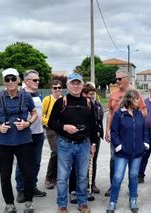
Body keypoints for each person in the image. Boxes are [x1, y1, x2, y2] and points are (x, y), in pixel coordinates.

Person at [0, 68, 37, 213]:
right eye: (7, 79)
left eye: (13, 79)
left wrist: (27, 123)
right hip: (4, 143)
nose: (10, 82)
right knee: (5, 175)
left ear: (18, 80)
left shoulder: (26, 96)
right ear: (4, 81)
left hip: (24, 141)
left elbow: (34, 114)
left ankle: (28, 202)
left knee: (28, 173)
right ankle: (9, 204)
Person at [48, 73, 98, 213]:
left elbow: (93, 126)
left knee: (82, 176)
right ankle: (62, 205)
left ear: (82, 85)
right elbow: (51, 122)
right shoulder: (61, 102)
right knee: (63, 177)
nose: (76, 86)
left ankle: (83, 203)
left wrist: (93, 144)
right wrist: (64, 127)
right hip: (65, 144)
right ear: (68, 86)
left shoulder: (88, 103)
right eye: (73, 83)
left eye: (78, 83)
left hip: (83, 144)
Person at [104, 71, 146, 196]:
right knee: (113, 159)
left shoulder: (135, 94)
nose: (117, 81)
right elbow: (110, 113)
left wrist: (130, 115)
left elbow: (144, 113)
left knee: (132, 160)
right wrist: (107, 130)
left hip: (130, 134)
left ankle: (131, 188)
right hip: (116, 133)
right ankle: (113, 186)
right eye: (116, 79)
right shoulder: (113, 94)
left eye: (120, 79)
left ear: (127, 79)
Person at [14, 70, 47, 203]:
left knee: (36, 163)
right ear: (26, 81)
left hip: (38, 133)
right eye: (35, 80)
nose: (37, 82)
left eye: (38, 80)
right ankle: (21, 190)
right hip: (25, 134)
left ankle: (31, 186)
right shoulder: (21, 95)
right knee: (22, 164)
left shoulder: (37, 94)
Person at [82, 82, 104, 194]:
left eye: (93, 93)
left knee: (93, 160)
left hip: (95, 136)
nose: (92, 95)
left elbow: (99, 120)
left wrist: (100, 133)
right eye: (90, 93)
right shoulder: (82, 104)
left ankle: (92, 183)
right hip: (84, 137)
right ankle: (82, 184)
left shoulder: (97, 104)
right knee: (83, 161)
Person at [42, 79, 63, 190]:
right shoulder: (47, 100)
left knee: (63, 153)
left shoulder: (64, 99)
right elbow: (42, 115)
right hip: (51, 129)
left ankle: (58, 177)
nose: (57, 90)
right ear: (51, 89)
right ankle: (49, 177)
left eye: (59, 88)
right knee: (55, 152)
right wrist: (48, 122)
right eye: (55, 88)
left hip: (62, 129)